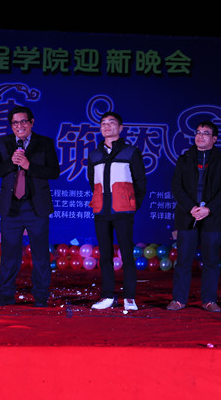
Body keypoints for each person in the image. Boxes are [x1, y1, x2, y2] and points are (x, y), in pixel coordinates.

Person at [0, 106, 60, 307]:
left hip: (36, 206)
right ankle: (5, 294)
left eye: (23, 121)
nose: (19, 126)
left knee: (40, 254)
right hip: (11, 207)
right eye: (15, 123)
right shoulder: (3, 143)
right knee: (9, 253)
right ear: (11, 126)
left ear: (32, 122)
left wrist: (29, 166)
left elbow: (54, 172)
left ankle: (41, 296)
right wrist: (11, 163)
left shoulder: (44, 143)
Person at [167, 121, 221, 312]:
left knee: (211, 260)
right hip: (188, 215)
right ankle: (179, 299)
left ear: (214, 139)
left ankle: (209, 300)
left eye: (205, 133)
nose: (200, 136)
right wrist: (192, 208)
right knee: (183, 260)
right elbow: (176, 186)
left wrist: (208, 209)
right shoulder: (185, 158)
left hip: (213, 216)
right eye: (198, 132)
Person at [88, 111, 147, 311]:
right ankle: (107, 296)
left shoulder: (131, 152)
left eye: (111, 123)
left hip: (123, 211)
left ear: (120, 128)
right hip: (101, 211)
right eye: (103, 123)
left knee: (127, 254)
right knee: (105, 255)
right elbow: (92, 182)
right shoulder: (95, 155)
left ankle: (129, 297)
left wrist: (132, 204)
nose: (107, 126)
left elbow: (140, 181)